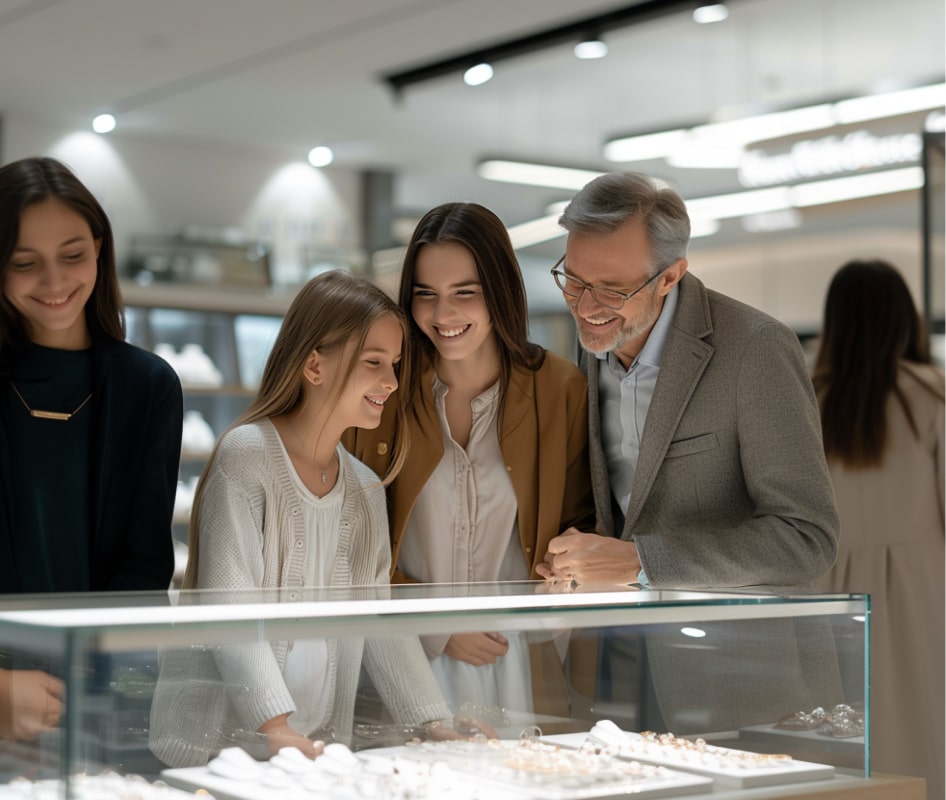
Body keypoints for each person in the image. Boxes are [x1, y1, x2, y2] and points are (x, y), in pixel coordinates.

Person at [535, 172, 842, 735]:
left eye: (611, 288)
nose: (586, 306)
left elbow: (808, 538)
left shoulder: (755, 348)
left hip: (738, 679)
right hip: (612, 667)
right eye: (573, 281)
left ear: (671, 276)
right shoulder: (585, 356)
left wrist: (644, 563)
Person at [150, 271, 491, 768]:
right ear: (314, 365)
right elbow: (230, 604)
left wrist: (432, 722)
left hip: (309, 752)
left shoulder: (364, 488)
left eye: (394, 365)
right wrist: (275, 726)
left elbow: (378, 622)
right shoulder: (246, 457)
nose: (391, 383)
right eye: (374, 363)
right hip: (224, 753)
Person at [347, 202, 595, 719]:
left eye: (466, 293)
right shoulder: (381, 391)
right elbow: (347, 545)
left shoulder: (559, 389)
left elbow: (580, 530)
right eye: (426, 295)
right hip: (399, 663)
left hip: (521, 667)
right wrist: (437, 624)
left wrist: (563, 582)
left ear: (500, 290)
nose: (443, 315)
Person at [0, 157, 182, 740]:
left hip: (97, 700)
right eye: (25, 264)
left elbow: (145, 565)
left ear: (100, 248)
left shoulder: (148, 386)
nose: (55, 283)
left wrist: (98, 685)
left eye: (73, 255)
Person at [813, 260, 944, 799]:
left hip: (824, 589)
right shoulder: (933, 395)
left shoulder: (806, 396)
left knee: (838, 737)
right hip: (923, 589)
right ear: (903, 317)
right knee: (923, 725)